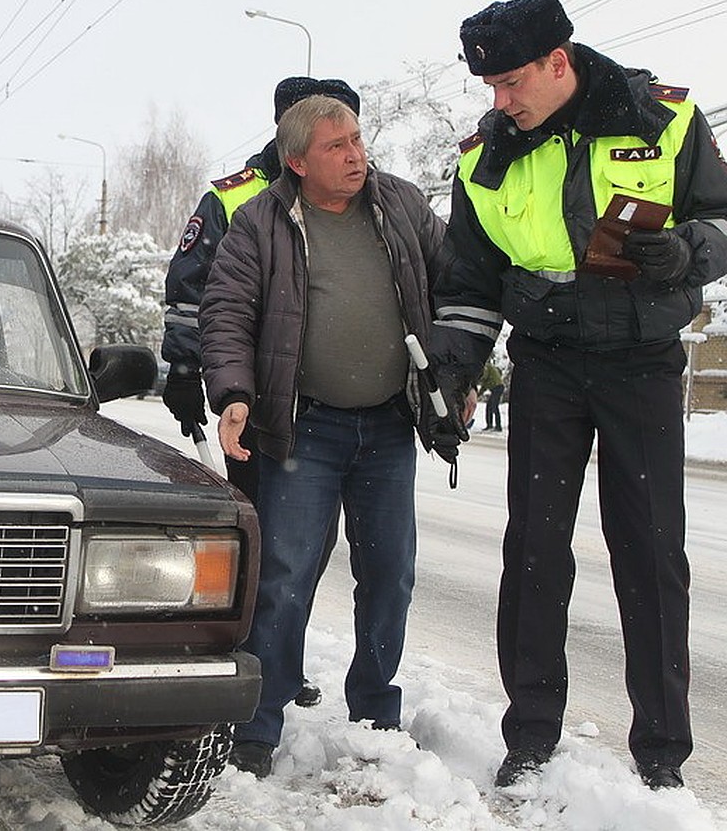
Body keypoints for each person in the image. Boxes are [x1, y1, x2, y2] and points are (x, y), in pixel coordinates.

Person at [431, 0, 727, 791]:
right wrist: (455, 371)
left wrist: (687, 252)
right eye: (489, 88)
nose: (500, 102)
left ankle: (662, 753)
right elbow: (468, 282)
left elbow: (724, 218)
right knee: (533, 548)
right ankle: (530, 733)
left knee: (651, 551)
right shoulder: (483, 160)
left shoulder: (663, 119)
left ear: (559, 63)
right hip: (548, 363)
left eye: (512, 83)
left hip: (641, 361)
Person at [199, 93, 460, 778]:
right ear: (297, 161)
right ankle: (258, 721)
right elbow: (225, 312)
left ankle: (376, 709)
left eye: (357, 140)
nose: (355, 155)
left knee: (390, 575)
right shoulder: (261, 221)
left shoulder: (400, 205)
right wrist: (231, 395)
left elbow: (457, 276)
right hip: (303, 428)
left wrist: (452, 373)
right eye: (336, 147)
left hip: (387, 425)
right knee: (283, 576)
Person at [161, 76, 362, 709]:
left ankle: (277, 660)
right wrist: (186, 371)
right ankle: (242, 659)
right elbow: (191, 289)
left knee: (307, 548)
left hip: (327, 409)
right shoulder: (236, 199)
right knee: (260, 541)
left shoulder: (355, 199)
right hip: (250, 403)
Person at [478, 360, 504, 431]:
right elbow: (484, 387)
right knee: (489, 407)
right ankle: (489, 425)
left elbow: (484, 377)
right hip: (495, 388)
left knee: (494, 406)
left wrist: (477, 378)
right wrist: (477, 395)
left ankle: (498, 427)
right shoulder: (487, 368)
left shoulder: (486, 366)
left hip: (498, 387)